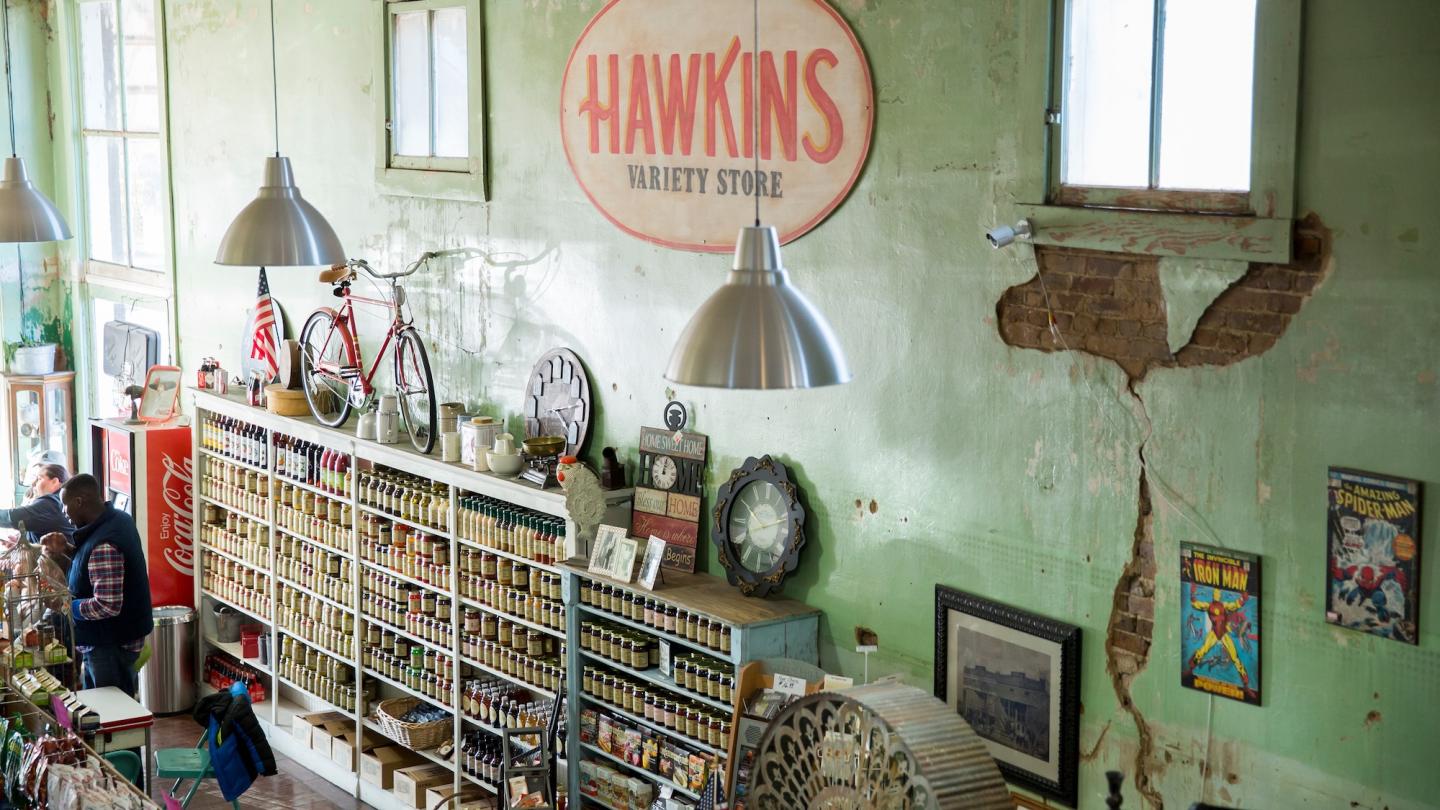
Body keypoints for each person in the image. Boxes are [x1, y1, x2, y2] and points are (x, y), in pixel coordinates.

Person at [61, 474, 153, 696]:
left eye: (65, 505)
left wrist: (66, 605)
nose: (64, 513)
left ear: (79, 502)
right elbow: (93, 570)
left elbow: (107, 605)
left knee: (111, 715)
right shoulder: (119, 520)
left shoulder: (104, 545)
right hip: (115, 640)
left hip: (109, 646)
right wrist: (67, 551)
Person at [0, 463, 76, 565]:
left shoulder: (51, 503)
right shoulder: (56, 501)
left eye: (40, 479)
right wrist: (22, 542)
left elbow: (14, 517)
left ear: (55, 482)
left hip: (59, 572)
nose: (34, 483)